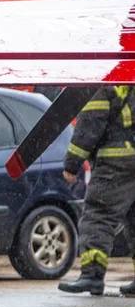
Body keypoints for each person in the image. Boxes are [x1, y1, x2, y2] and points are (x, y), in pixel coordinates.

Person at [59, 85, 135, 296]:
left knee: (98, 215)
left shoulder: (105, 82)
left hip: (116, 161)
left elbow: (91, 123)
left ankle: (92, 275)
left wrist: (72, 164)